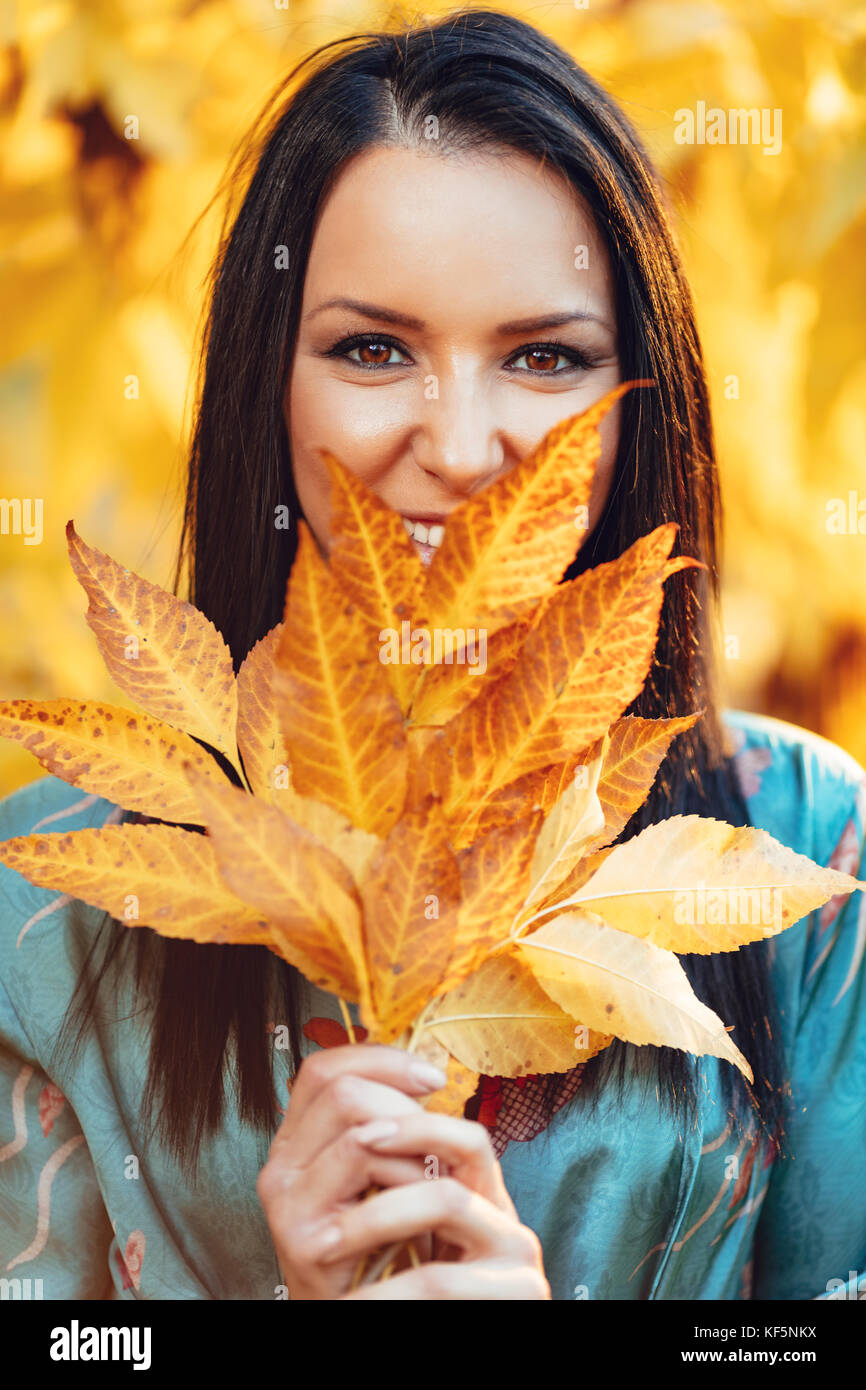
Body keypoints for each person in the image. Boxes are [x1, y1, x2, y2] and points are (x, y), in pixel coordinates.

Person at [1, 9, 864, 1302]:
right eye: (371, 348)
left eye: (542, 356)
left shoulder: (809, 857)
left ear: (639, 403)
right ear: (267, 385)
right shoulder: (45, 921)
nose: (458, 445)